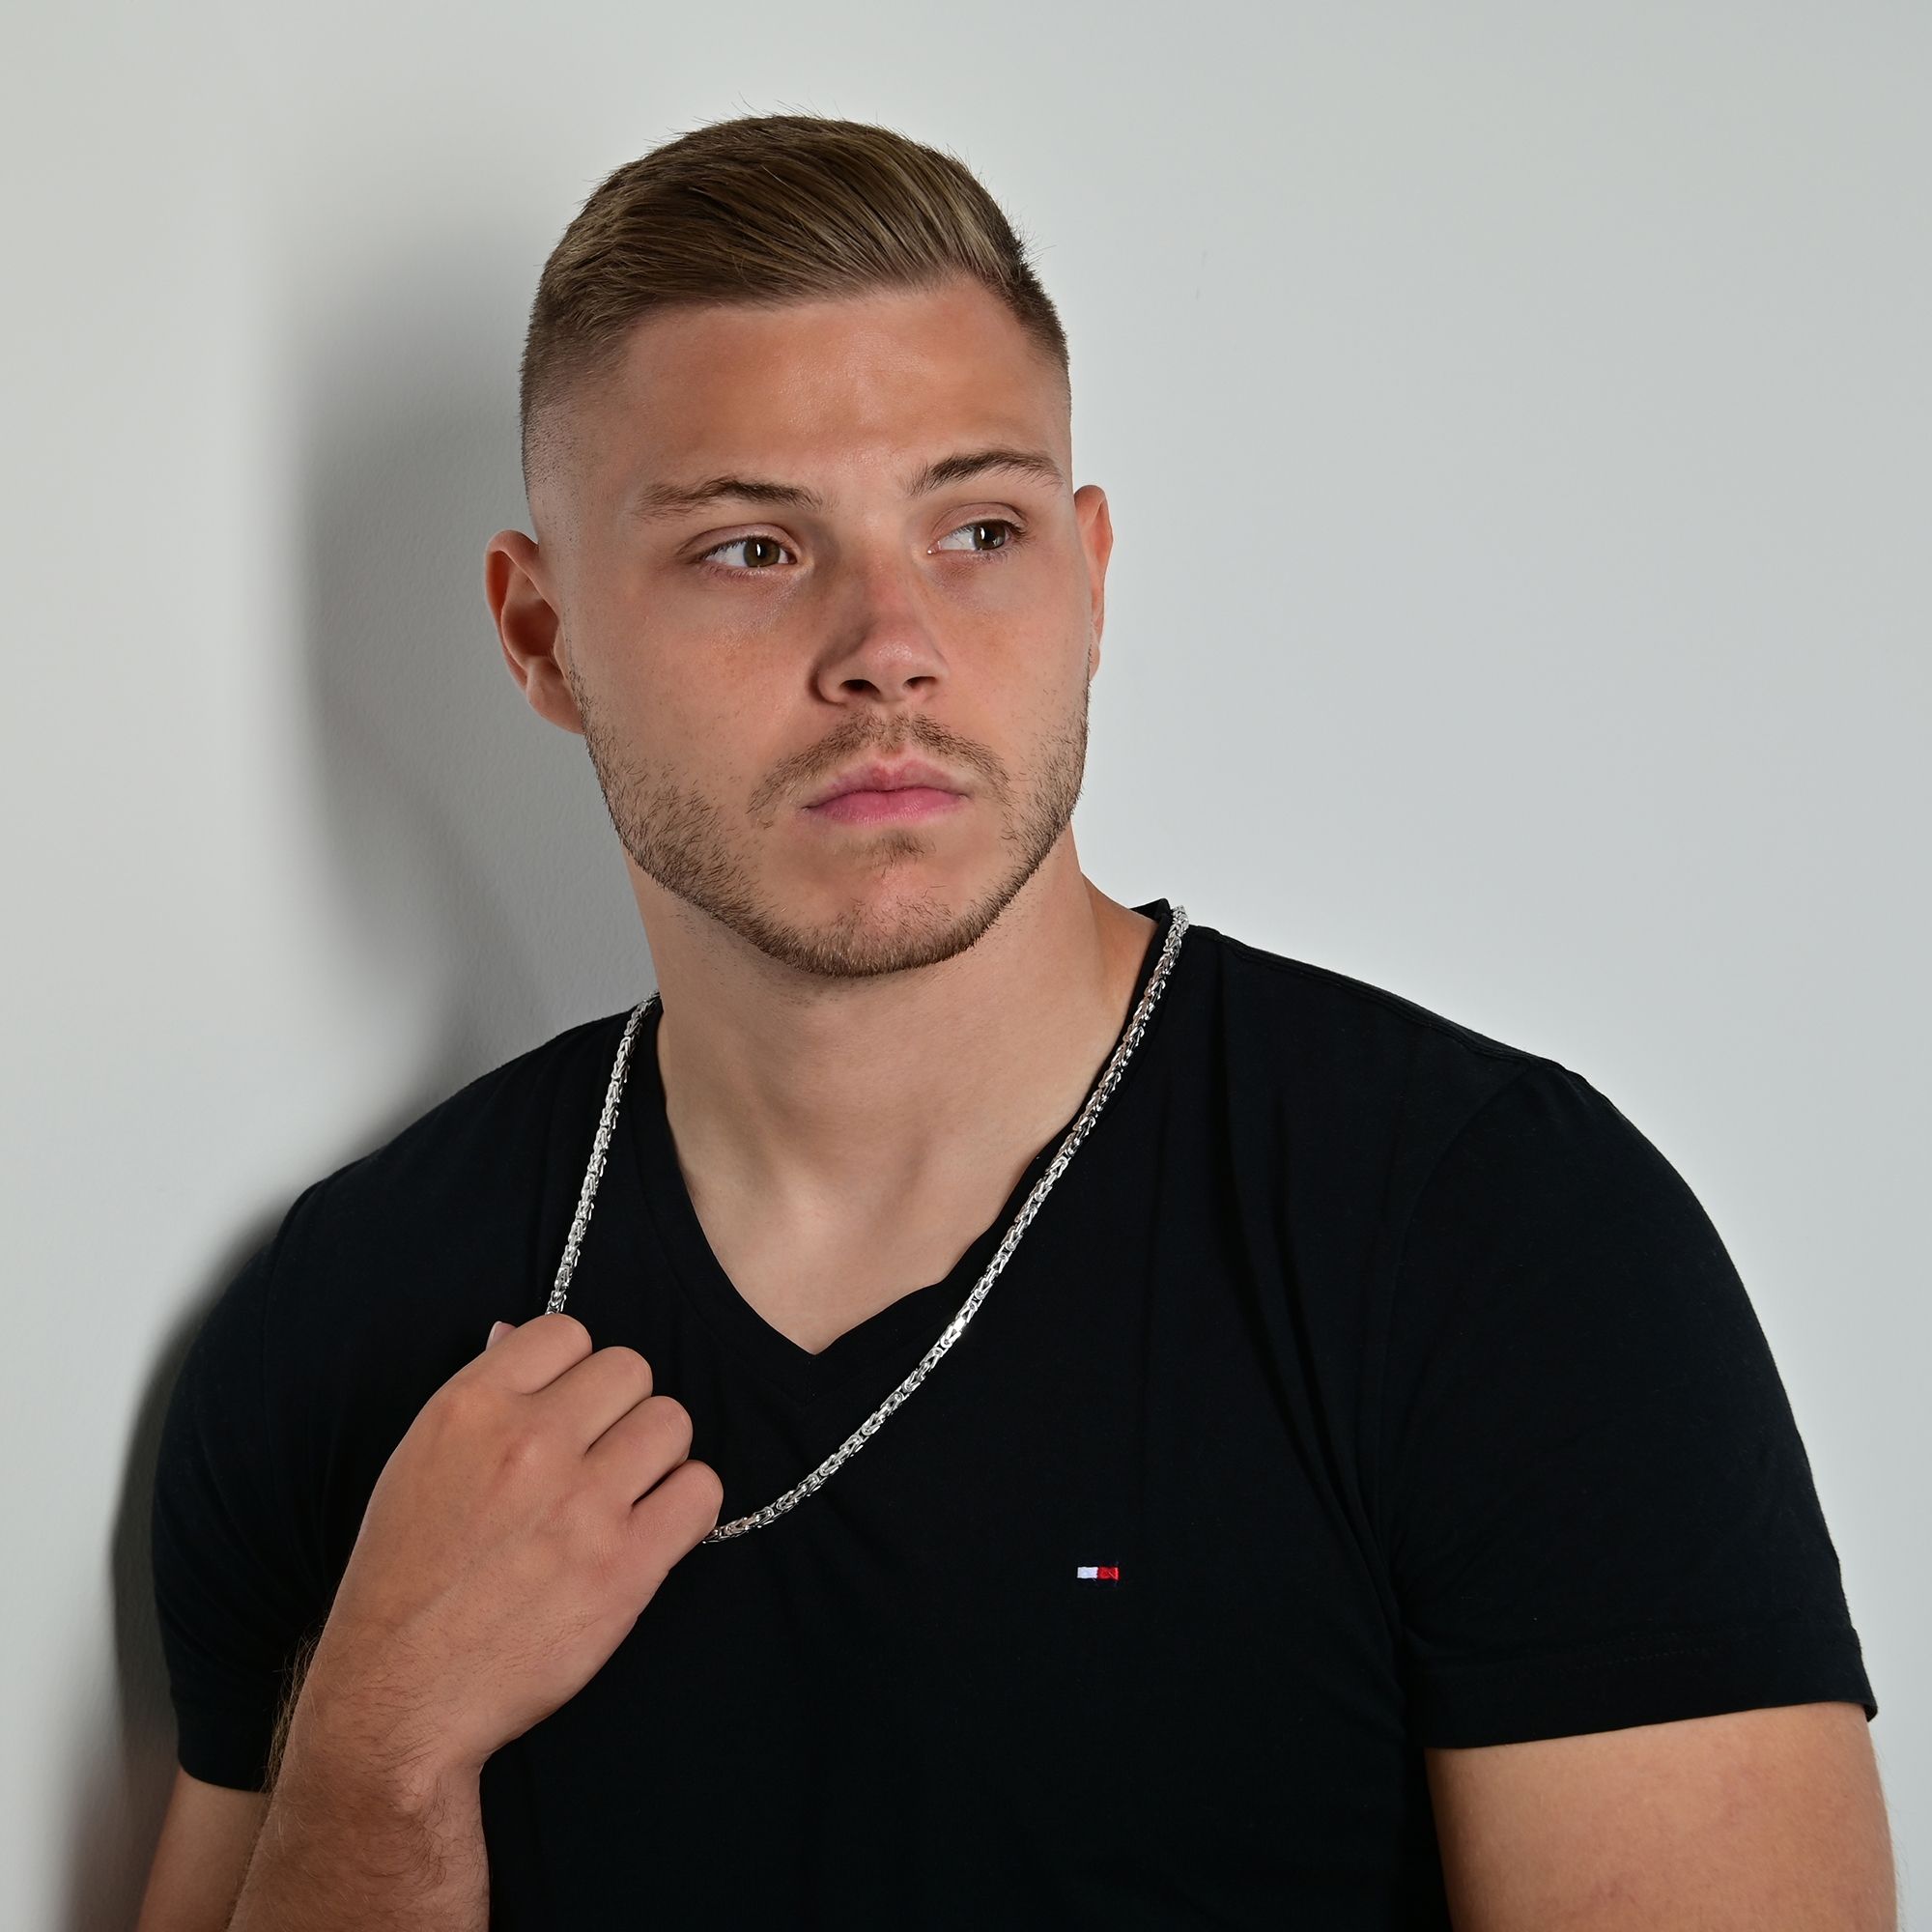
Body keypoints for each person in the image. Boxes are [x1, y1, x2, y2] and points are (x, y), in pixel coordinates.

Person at [137, 113, 1895, 1931]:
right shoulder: (352, 1314)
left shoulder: (1493, 1240)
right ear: (542, 636)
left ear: (1092, 576)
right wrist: (377, 1754)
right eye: (753, 548)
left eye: (979, 530)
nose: (888, 645)